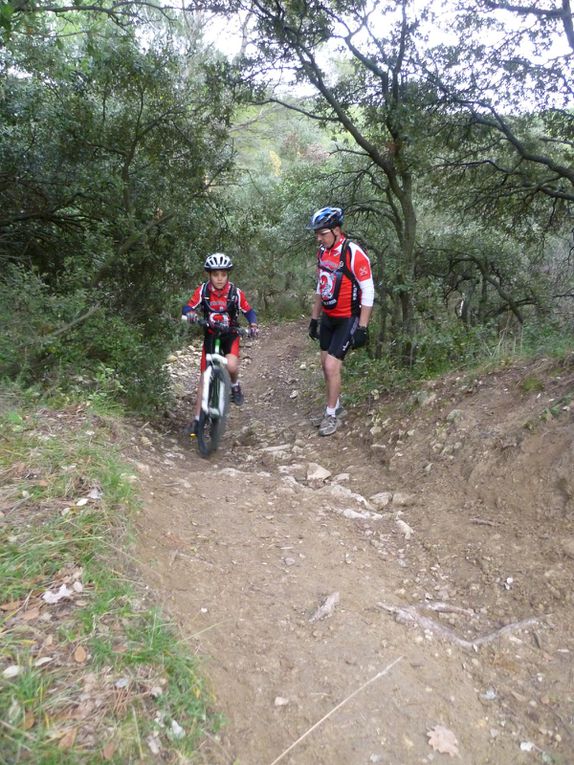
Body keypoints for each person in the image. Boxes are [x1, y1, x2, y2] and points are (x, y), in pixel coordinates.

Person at [307, 206, 374, 436]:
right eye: (317, 233)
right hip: (328, 317)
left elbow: (368, 291)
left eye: (322, 232)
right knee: (325, 367)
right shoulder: (322, 252)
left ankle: (331, 415)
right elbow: (321, 285)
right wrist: (314, 319)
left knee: (331, 366)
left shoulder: (353, 253)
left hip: (348, 318)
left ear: (336, 230)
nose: (319, 237)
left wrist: (363, 327)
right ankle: (335, 406)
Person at [182, 253, 258, 435]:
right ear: (209, 275)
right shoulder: (203, 291)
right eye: (216, 275)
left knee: (231, 365)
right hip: (210, 335)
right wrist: (190, 313)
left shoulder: (235, 293)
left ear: (228, 275)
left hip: (230, 335)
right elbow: (188, 306)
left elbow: (248, 311)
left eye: (223, 274)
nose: (219, 279)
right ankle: (197, 419)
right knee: (203, 378)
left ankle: (234, 385)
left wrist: (253, 325)